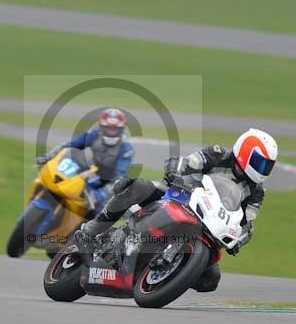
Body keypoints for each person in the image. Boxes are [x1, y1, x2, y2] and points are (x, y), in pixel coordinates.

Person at [75, 128, 278, 292]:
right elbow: (189, 162)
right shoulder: (218, 154)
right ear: (244, 152)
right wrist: (175, 171)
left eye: (267, 166)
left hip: (209, 223)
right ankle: (91, 232)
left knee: (211, 279)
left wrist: (239, 240)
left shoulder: (256, 192)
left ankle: (168, 276)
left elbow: (247, 222)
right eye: (260, 162)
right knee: (139, 186)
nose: (263, 170)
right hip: (180, 195)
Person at [36, 108, 135, 213]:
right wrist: (49, 156)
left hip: (111, 181)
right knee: (67, 183)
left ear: (121, 129)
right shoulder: (94, 134)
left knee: (98, 204)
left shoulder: (126, 149)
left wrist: (105, 193)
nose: (111, 132)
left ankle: (93, 222)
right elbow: (69, 146)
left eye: (115, 129)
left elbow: (120, 175)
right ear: (101, 127)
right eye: (108, 128)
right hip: (94, 171)